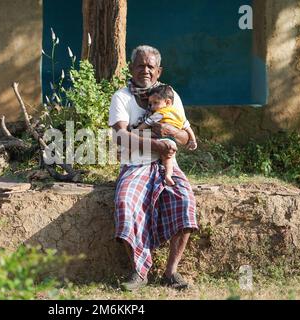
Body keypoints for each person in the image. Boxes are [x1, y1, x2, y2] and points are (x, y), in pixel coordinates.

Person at [108, 45, 198, 291]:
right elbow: (120, 137)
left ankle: (171, 272)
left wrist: (170, 133)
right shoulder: (122, 97)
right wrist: (153, 144)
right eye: (140, 65)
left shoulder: (170, 95)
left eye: (150, 66)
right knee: (126, 201)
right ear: (131, 68)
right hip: (136, 164)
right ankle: (139, 271)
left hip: (166, 164)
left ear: (159, 71)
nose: (145, 70)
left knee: (185, 200)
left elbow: (185, 138)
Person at [134, 84, 198, 186]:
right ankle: (168, 175)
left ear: (168, 102)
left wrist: (135, 131)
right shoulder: (179, 114)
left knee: (142, 136)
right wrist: (193, 140)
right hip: (172, 141)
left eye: (155, 103)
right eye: (150, 104)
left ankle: (164, 174)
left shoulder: (160, 114)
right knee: (168, 159)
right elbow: (188, 128)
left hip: (161, 139)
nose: (152, 107)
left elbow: (146, 123)